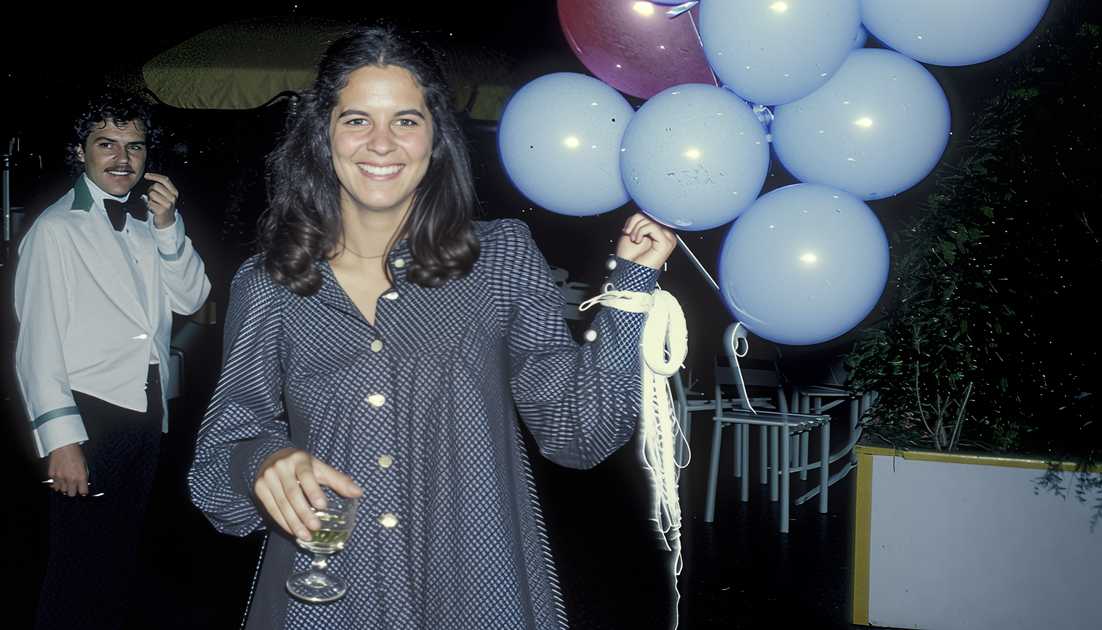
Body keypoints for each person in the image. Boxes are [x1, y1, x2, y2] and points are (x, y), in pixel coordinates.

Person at [188, 26, 676, 629]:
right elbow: (217, 464)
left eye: (407, 121)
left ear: (435, 136)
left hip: (476, 592)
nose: (382, 144)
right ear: (324, 135)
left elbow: (579, 432)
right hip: (329, 600)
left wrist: (630, 290)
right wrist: (263, 460)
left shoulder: (499, 259)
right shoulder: (271, 283)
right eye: (358, 120)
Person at [13, 90, 211, 629]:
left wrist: (171, 227)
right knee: (76, 567)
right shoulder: (55, 230)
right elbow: (36, 349)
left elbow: (191, 298)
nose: (123, 159)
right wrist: (62, 443)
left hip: (145, 406)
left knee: (118, 559)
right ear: (81, 152)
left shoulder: (148, 221)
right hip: (90, 414)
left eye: (135, 146)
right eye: (107, 144)